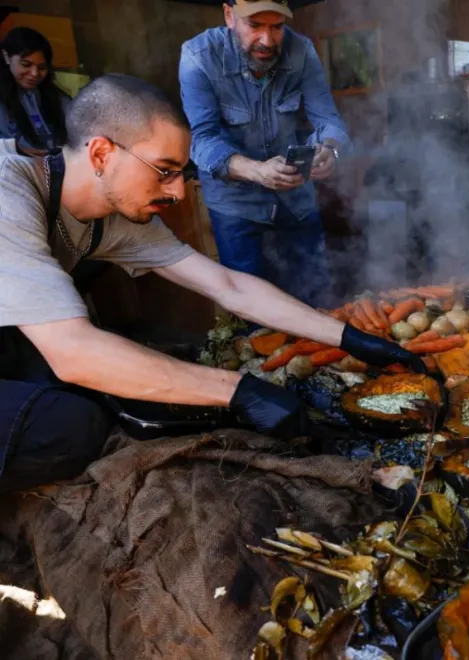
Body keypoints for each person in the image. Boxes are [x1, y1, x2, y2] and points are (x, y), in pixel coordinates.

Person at [0, 73, 424, 494]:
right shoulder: (9, 192)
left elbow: (227, 286)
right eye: (163, 171)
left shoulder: (114, 217)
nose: (179, 194)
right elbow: (74, 352)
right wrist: (239, 391)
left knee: (99, 397)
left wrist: (350, 338)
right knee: (74, 426)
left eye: (180, 173)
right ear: (101, 154)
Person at [179, 0, 352, 307]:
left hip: (297, 201)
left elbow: (328, 121)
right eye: (255, 26)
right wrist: (256, 171)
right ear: (229, 15)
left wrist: (330, 150)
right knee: (250, 310)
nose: (267, 40)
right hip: (236, 209)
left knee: (315, 300)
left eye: (277, 27)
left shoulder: (301, 51)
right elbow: (202, 140)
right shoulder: (198, 57)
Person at [0, 27, 72, 154]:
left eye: (42, 67)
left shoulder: (55, 96)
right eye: (26, 64)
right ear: (6, 57)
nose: (34, 73)